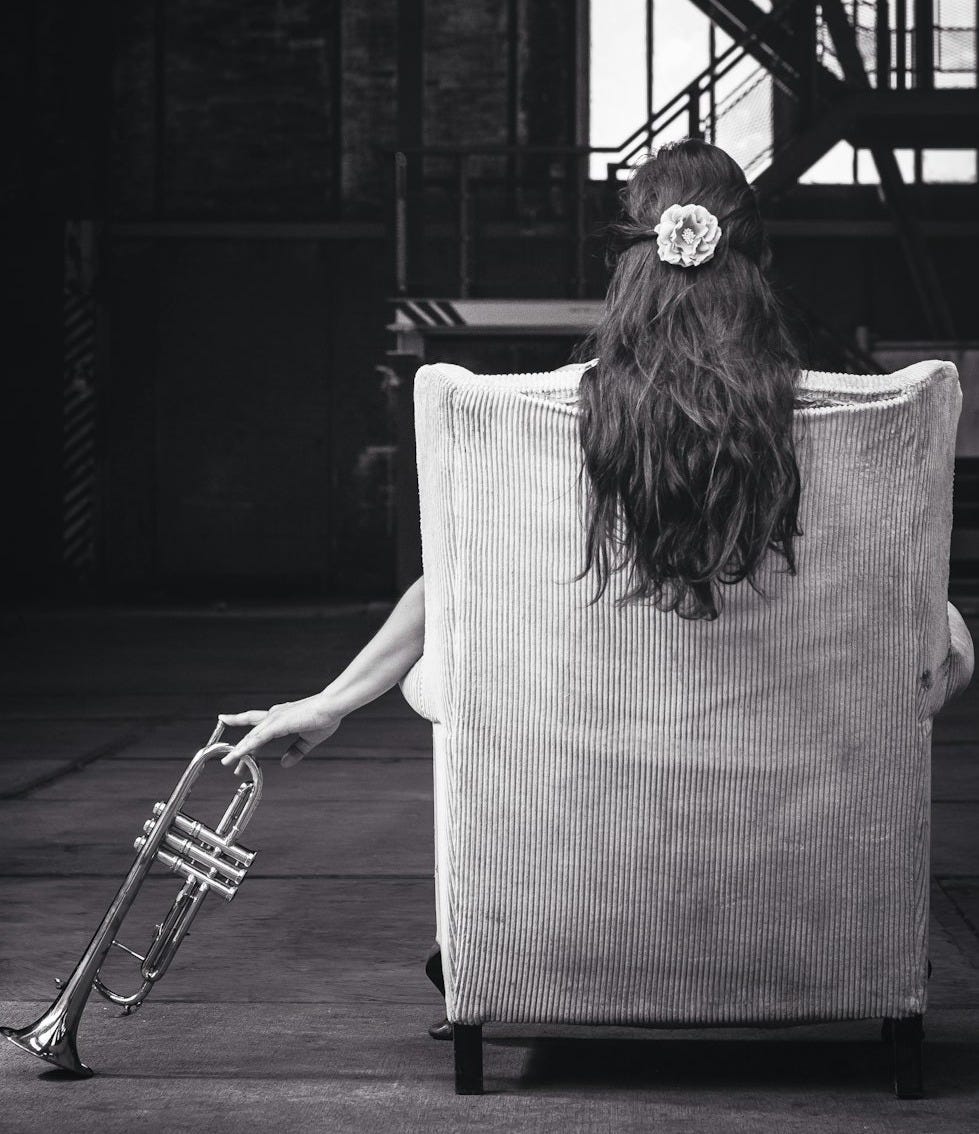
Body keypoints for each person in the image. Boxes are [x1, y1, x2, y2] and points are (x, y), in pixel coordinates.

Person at [219, 138, 805, 1035]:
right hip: (790, 831)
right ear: (756, 254)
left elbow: (455, 574)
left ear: (626, 259)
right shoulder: (842, 416)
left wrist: (332, 702)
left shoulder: (544, 415)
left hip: (585, 826)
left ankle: (515, 946)